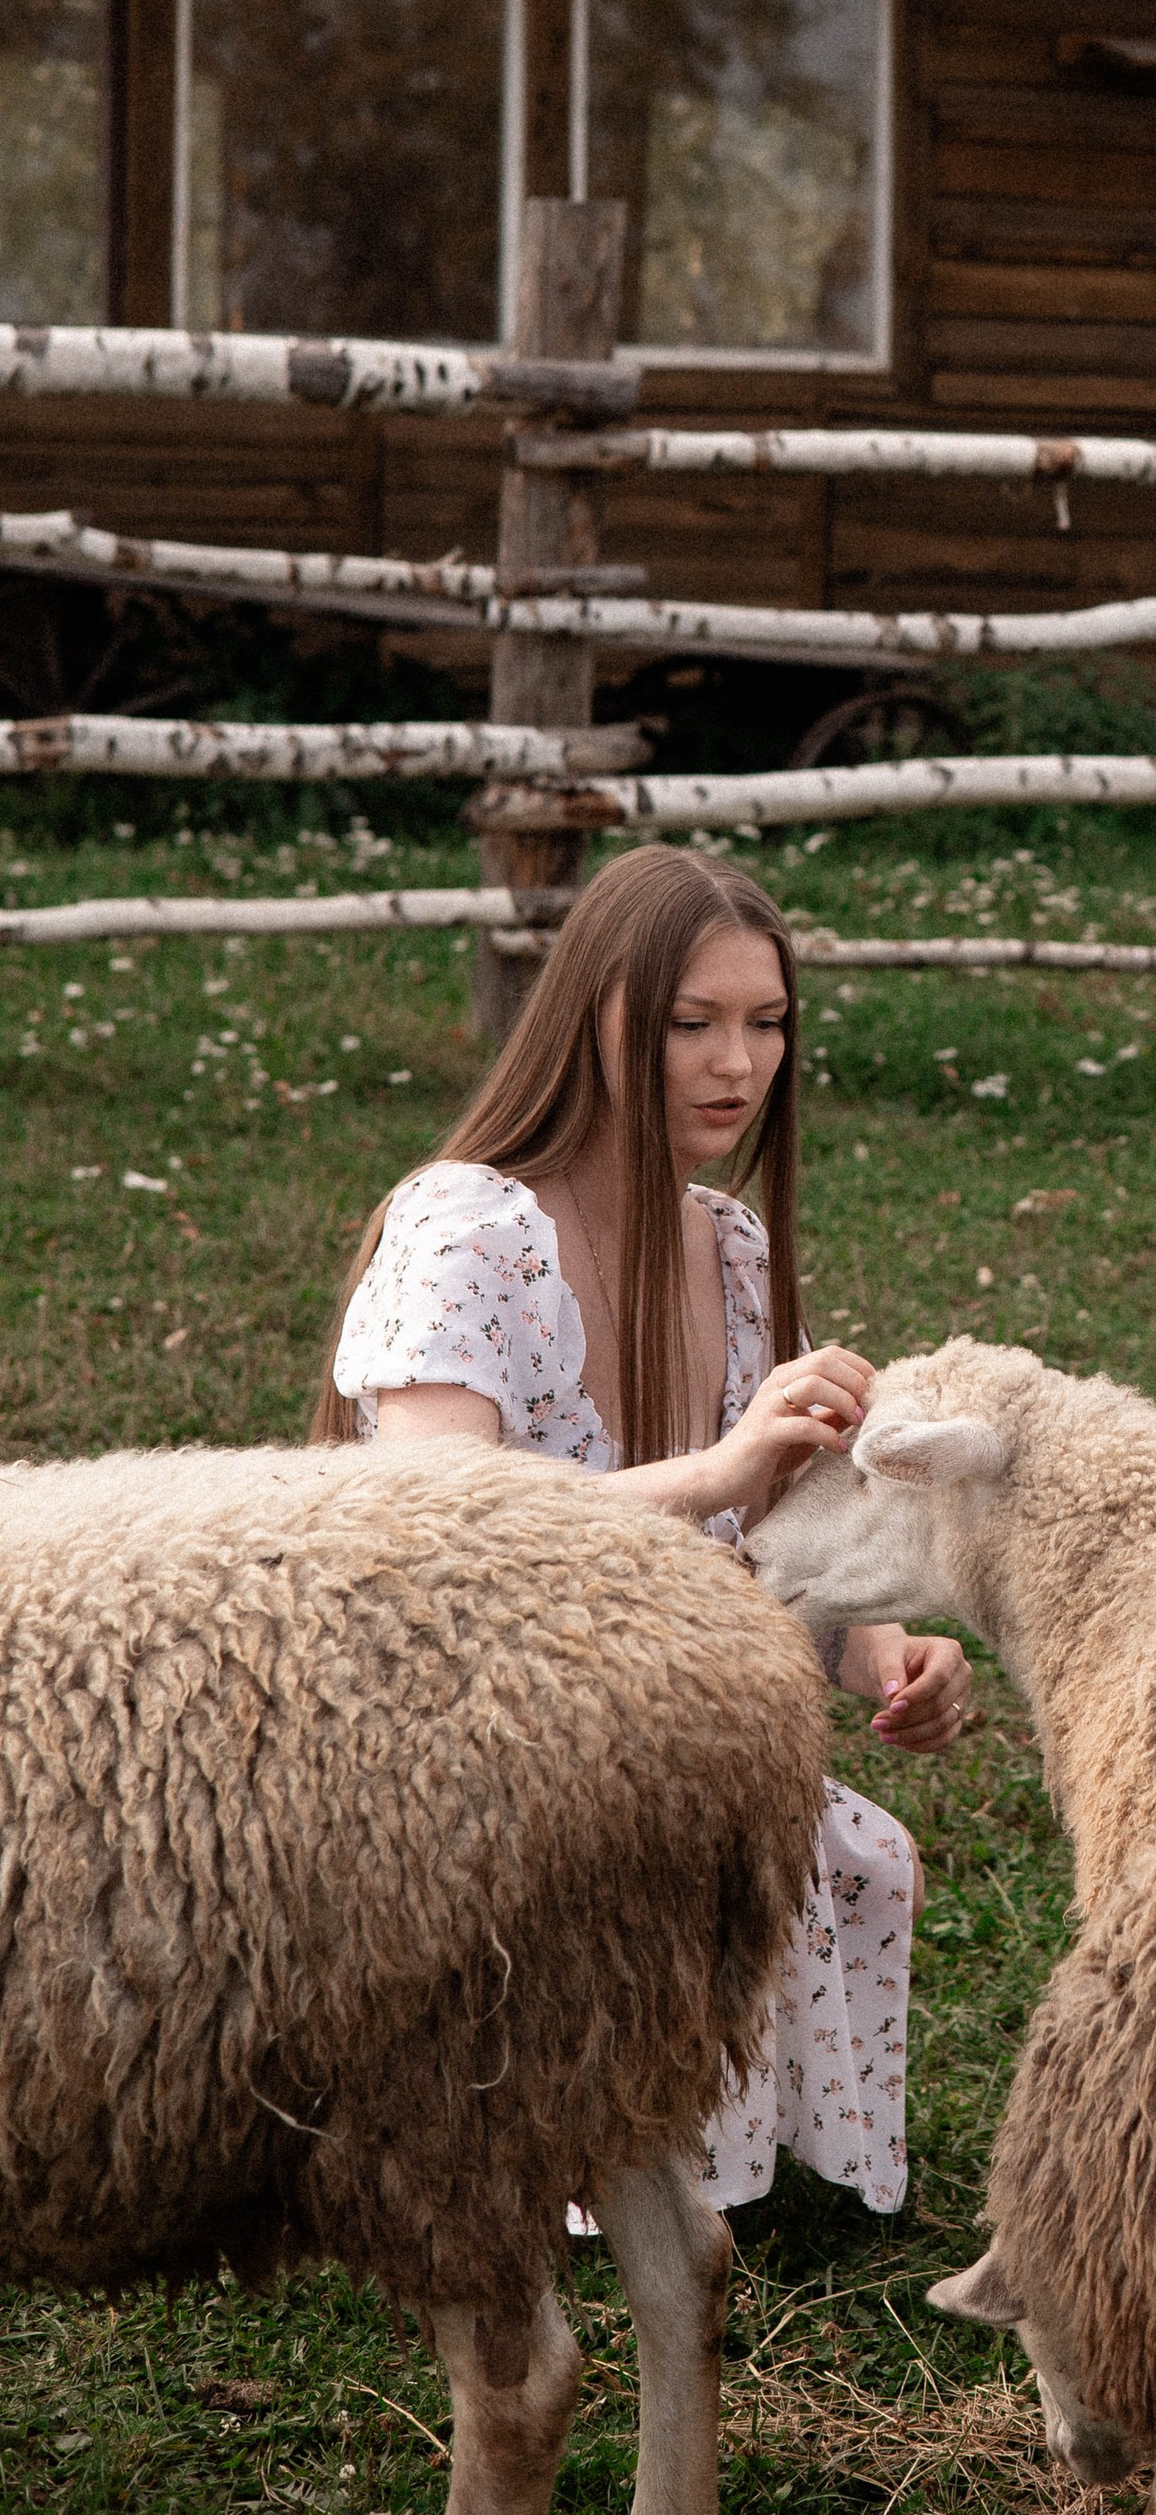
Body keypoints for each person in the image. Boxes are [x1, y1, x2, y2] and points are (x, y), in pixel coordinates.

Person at [315, 842, 971, 2219]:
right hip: (459, 1724)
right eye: (692, 1024)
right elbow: (441, 1520)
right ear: (598, 1019)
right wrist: (723, 1466)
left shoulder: (728, 1247)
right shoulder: (467, 1229)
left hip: (647, 1718)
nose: (738, 1062)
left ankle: (732, 2164)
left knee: (820, 1837)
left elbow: (786, 1518)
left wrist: (889, 1657)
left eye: (767, 1022)